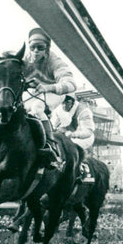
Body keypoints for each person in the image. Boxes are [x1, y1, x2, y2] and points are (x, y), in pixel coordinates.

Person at [22, 27, 78, 167]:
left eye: (40, 47)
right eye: (33, 47)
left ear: (46, 49)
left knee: (37, 108)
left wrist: (48, 87)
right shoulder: (24, 60)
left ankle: (50, 145)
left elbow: (71, 84)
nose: (36, 51)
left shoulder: (55, 61)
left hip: (55, 92)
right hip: (35, 92)